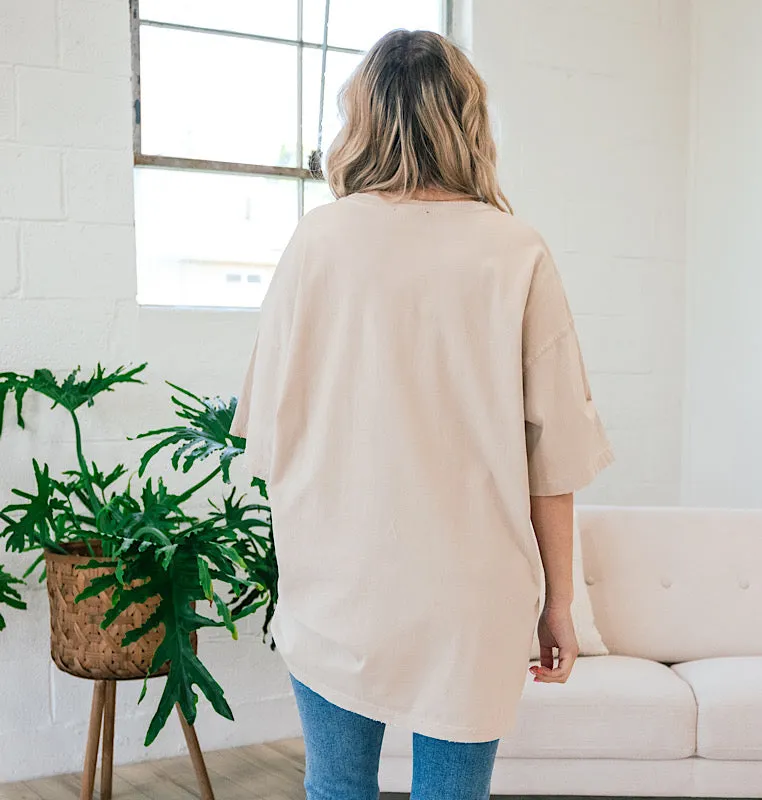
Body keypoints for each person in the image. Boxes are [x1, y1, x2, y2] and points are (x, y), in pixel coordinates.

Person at [230, 28, 614, 800]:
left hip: (337, 584)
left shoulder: (318, 242)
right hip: (472, 594)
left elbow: (269, 434)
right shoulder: (517, 251)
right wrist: (561, 605)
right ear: (467, 119)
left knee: (337, 788)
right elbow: (555, 456)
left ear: (362, 119)